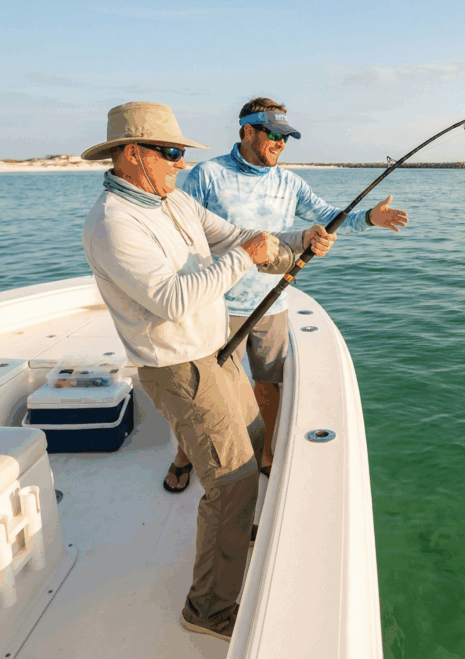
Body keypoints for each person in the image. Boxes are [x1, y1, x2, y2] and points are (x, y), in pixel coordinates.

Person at [79, 102, 335, 640]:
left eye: (179, 153)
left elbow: (237, 238)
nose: (178, 164)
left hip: (214, 348)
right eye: (170, 153)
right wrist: (248, 257)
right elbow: (171, 299)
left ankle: (235, 536)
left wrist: (298, 246)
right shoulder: (113, 224)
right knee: (233, 480)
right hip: (178, 367)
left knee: (257, 435)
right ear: (133, 154)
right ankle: (209, 610)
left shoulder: (171, 200)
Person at [164, 97, 408, 491]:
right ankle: (184, 454)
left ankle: (267, 454)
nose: (280, 143)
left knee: (269, 382)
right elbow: (181, 231)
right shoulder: (207, 175)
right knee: (205, 390)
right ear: (247, 131)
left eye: (286, 137)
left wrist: (369, 219)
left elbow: (327, 217)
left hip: (272, 301)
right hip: (216, 304)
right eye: (273, 135)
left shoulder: (289, 182)